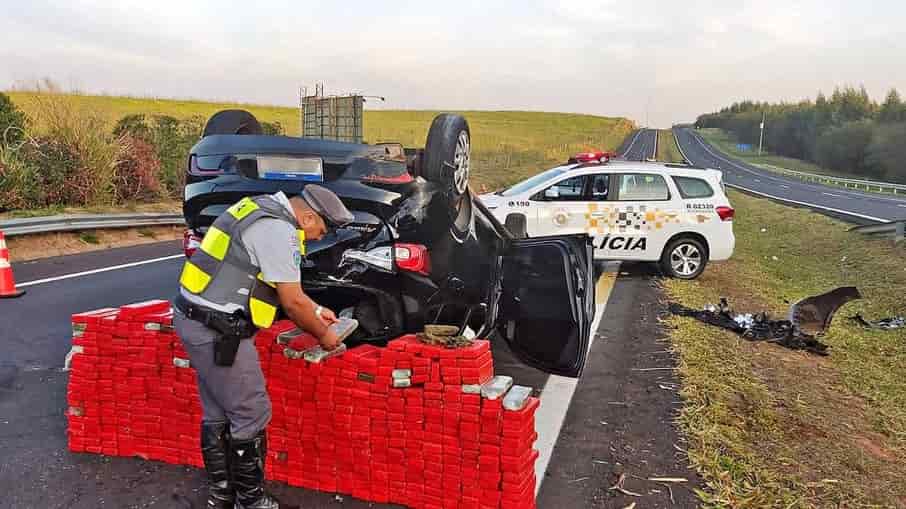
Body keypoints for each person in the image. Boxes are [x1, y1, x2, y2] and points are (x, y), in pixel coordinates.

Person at [173, 185, 354, 509]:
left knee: (218, 409)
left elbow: (283, 288)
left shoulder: (258, 207)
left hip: (196, 318)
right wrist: (325, 336)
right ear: (308, 215)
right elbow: (292, 302)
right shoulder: (278, 230)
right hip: (218, 330)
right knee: (251, 411)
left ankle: (222, 495)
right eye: (321, 229)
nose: (318, 237)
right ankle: (252, 502)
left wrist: (315, 310)